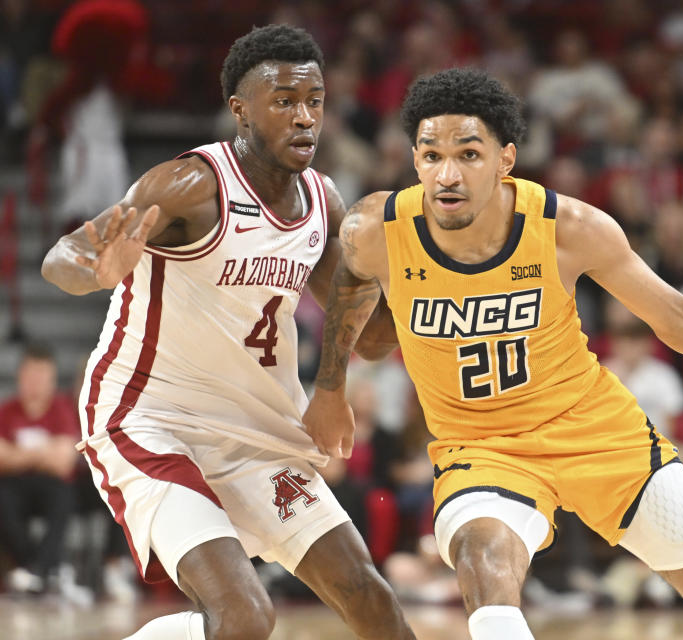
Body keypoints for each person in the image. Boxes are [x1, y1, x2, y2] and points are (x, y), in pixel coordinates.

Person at [307, 68, 683, 640]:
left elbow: (681, 320)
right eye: (430, 156)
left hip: (598, 432)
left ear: (505, 159)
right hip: (482, 447)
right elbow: (351, 291)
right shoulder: (376, 228)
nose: (446, 174)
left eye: (468, 154)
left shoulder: (567, 227)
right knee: (483, 565)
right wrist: (330, 389)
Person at [41, 25, 413, 640]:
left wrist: (341, 376)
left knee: (375, 605)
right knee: (245, 616)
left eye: (315, 102)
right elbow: (62, 256)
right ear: (241, 111)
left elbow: (370, 336)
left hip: (255, 429)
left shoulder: (323, 202)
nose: (305, 119)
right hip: (151, 419)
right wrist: (95, 269)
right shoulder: (191, 185)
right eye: (285, 102)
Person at [0, 343, 80, 594]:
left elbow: (64, 460)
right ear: (21, 377)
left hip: (53, 485)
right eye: (31, 375)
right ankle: (41, 568)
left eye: (42, 376)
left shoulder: (63, 410)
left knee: (64, 497)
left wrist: (19, 454)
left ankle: (36, 571)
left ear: (52, 379)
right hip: (14, 485)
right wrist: (45, 450)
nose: (36, 382)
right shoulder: (7, 411)